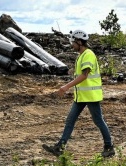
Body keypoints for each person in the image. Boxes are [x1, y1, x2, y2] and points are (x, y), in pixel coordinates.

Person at [43, 30, 115, 158]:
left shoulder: (88, 54)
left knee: (98, 121)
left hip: (90, 96)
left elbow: (84, 75)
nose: (72, 45)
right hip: (81, 96)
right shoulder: (81, 55)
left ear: (80, 42)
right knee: (70, 120)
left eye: (73, 42)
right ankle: (60, 147)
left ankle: (109, 147)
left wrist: (66, 86)